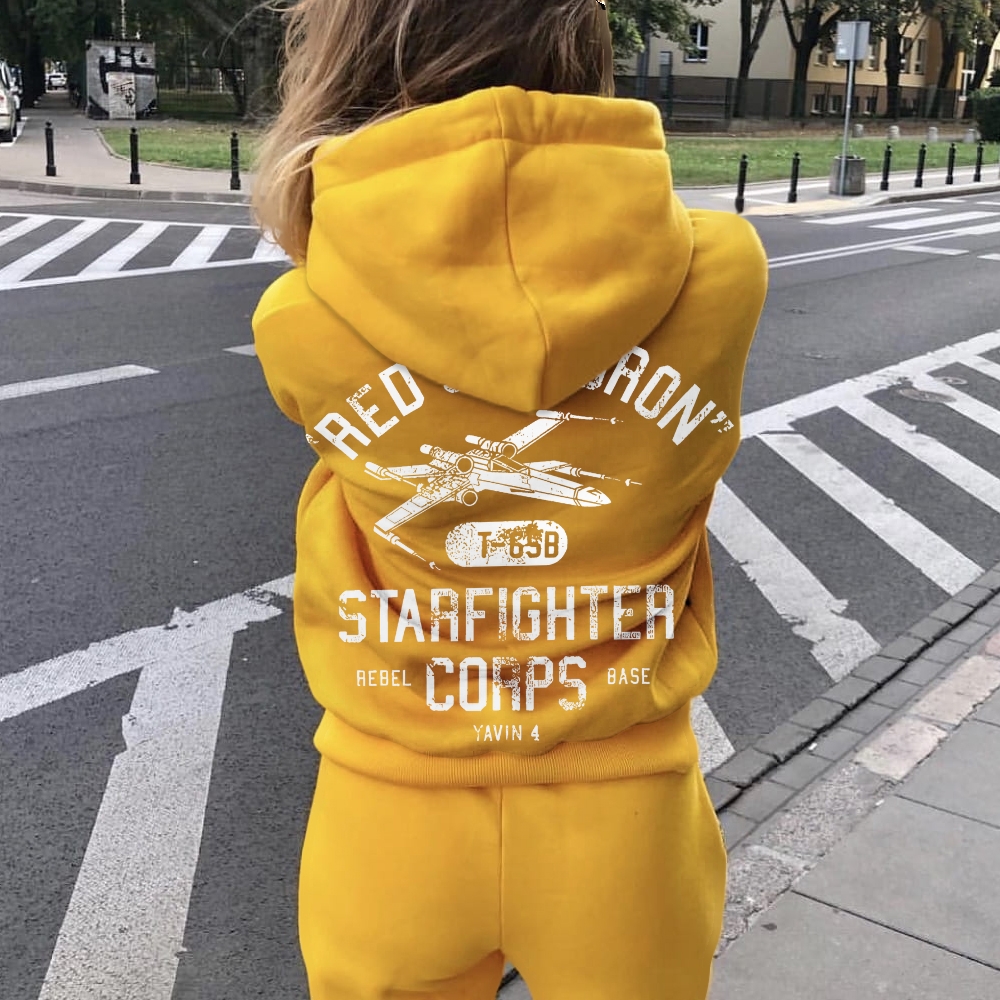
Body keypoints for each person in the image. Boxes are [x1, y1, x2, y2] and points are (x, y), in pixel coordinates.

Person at [250, 1, 768, 997]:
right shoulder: (721, 270)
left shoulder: (300, 314)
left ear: (352, 64)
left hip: (390, 814)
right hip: (625, 819)